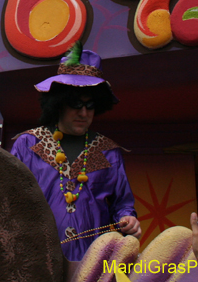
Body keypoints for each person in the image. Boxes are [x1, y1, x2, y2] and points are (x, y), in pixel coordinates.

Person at [10, 43, 140, 262]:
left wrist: (128, 218)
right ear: (59, 103)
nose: (83, 112)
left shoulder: (109, 152)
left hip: (93, 266)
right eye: (75, 103)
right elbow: (9, 202)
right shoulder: (27, 144)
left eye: (90, 105)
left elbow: (122, 205)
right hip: (36, 264)